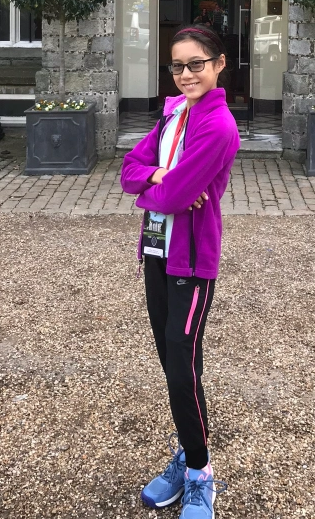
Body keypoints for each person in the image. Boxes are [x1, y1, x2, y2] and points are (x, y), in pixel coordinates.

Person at [120, 26, 240, 519]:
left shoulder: (218, 126)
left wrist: (156, 188)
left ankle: (199, 474)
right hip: (155, 250)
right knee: (174, 366)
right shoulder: (173, 114)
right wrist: (157, 178)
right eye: (177, 65)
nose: (186, 74)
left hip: (191, 260)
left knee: (182, 369)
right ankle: (188, 452)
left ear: (219, 65)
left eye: (196, 64)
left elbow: (166, 197)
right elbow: (128, 168)